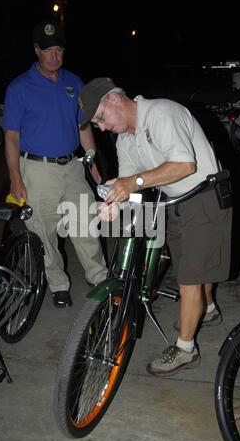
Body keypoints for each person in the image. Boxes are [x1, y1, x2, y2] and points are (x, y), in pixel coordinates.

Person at [78, 77, 232, 376]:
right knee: (195, 268)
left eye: (100, 119)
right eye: (97, 125)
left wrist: (132, 182)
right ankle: (208, 309)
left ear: (113, 100)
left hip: (204, 196)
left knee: (190, 277)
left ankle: (186, 349)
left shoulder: (162, 113)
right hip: (174, 201)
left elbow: (184, 165)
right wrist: (113, 203)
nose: (102, 128)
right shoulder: (125, 140)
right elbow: (129, 188)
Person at [2, 21, 107, 308]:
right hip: (36, 170)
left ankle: (99, 278)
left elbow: (83, 126)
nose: (54, 55)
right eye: (48, 49)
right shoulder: (19, 88)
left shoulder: (74, 82)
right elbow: (11, 136)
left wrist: (91, 160)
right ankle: (58, 285)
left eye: (59, 49)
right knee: (44, 232)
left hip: (72, 166)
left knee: (85, 224)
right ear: (36, 51)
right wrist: (15, 177)